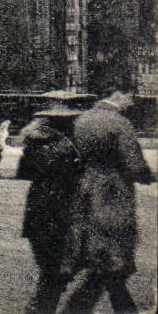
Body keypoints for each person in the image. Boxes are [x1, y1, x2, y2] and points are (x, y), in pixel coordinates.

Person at [62, 84, 154, 314]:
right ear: (116, 95)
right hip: (112, 193)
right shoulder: (120, 124)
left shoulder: (82, 120)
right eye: (128, 98)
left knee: (102, 256)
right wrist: (146, 175)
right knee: (112, 256)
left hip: (84, 190)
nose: (130, 104)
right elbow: (133, 164)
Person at [16, 91, 91, 314]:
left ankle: (39, 307)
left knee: (50, 268)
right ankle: (38, 309)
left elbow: (24, 172)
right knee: (60, 269)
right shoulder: (72, 145)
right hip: (63, 210)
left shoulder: (33, 141)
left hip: (37, 208)